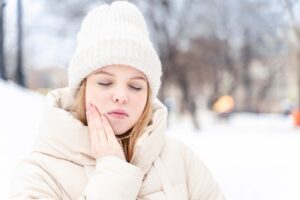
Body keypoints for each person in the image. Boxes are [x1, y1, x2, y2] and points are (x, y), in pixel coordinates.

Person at [9, 1, 225, 199]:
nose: (121, 95)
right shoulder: (39, 172)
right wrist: (112, 176)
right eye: (105, 82)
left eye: (135, 86)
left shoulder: (181, 160)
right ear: (82, 88)